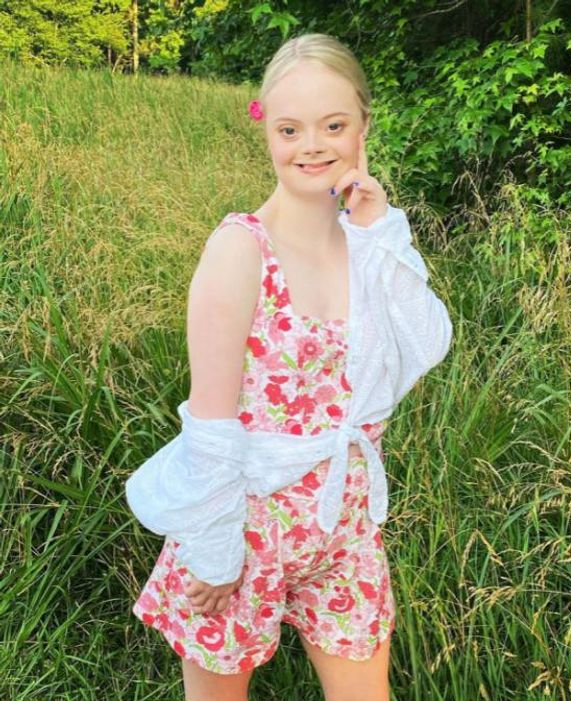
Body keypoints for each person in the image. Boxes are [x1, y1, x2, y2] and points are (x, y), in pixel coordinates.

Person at [124, 33, 453, 701]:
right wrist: (215, 548)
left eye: (333, 124)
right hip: (246, 524)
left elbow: (426, 343)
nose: (313, 145)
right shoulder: (240, 250)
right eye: (290, 128)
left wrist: (382, 232)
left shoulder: (366, 239)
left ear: (364, 124)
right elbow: (210, 417)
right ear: (266, 131)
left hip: (347, 519)